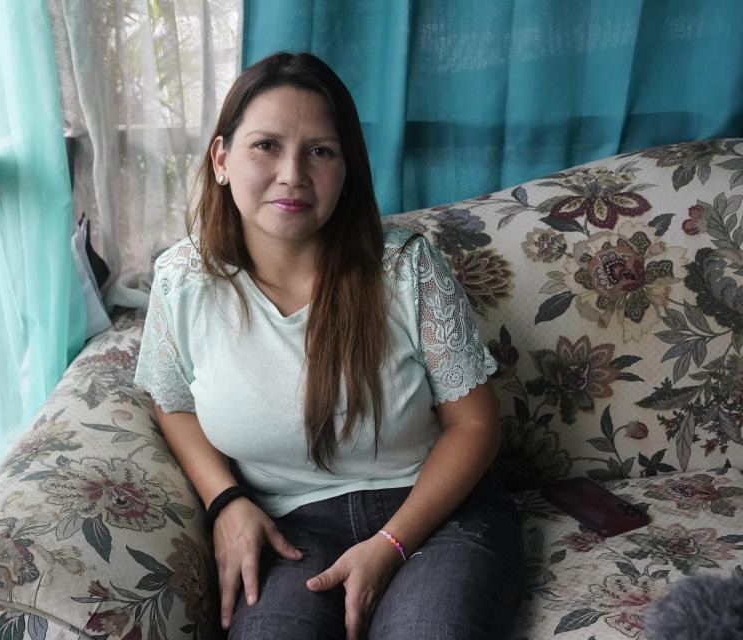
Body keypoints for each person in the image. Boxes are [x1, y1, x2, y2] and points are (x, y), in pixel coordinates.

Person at [134, 52, 521, 640]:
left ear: (346, 172)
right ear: (221, 159)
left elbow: (475, 425)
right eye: (266, 145)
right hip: (290, 530)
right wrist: (226, 501)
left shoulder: (404, 269)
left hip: (432, 516)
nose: (293, 173)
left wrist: (390, 544)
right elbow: (173, 402)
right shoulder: (183, 281)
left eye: (320, 150)